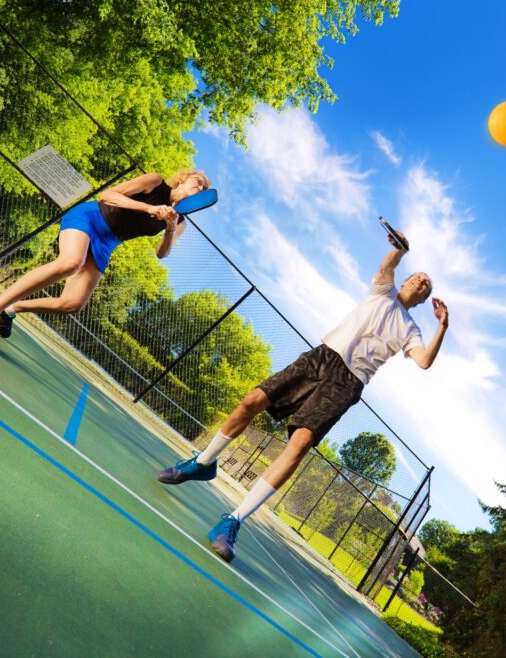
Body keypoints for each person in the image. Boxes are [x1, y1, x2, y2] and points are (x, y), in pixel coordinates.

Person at [156, 225, 449, 562]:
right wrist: (400, 248)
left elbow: (424, 361)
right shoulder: (383, 291)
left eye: (426, 284)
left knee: (299, 445)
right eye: (418, 277)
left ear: (426, 300)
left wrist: (442, 325)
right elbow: (388, 266)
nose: (420, 282)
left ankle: (231, 522)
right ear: (407, 280)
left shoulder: (412, 329)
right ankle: (203, 462)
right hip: (320, 358)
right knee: (251, 401)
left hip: (347, 384)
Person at [0, 168, 210, 344]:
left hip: (107, 243)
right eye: (197, 181)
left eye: (203, 188)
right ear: (182, 180)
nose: (200, 186)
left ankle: (12, 308)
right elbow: (108, 195)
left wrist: (169, 227)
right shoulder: (155, 182)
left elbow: (161, 254)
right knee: (70, 263)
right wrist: (149, 207)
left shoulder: (180, 222)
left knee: (73, 304)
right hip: (91, 217)